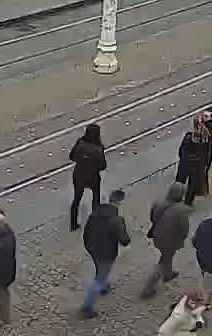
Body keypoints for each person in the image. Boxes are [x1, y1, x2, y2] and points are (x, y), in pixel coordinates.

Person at [79, 187, 131, 318]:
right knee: (99, 278)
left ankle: (104, 286)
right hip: (106, 253)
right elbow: (124, 240)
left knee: (100, 269)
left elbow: (86, 232)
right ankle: (87, 307)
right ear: (120, 202)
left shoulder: (95, 212)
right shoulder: (117, 220)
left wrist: (88, 245)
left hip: (92, 248)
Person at [140, 183, 192, 298]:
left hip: (157, 235)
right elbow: (183, 228)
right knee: (163, 260)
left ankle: (168, 273)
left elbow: (153, 218)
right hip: (170, 240)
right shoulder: (181, 210)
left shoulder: (158, 203)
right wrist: (182, 238)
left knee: (166, 256)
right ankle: (148, 289)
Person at [68, 123, 107, 230]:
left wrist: (82, 161)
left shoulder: (80, 142)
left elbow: (71, 156)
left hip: (78, 174)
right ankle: (95, 223)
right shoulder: (98, 148)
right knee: (96, 199)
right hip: (92, 177)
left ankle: (73, 224)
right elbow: (103, 166)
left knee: (76, 199)